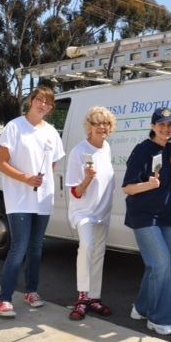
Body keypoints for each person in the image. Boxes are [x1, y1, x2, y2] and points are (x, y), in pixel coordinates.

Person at [0, 86, 65, 318]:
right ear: (31, 101)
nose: (42, 105)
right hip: (19, 199)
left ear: (51, 108)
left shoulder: (52, 132)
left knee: (36, 248)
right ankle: (4, 299)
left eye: (47, 102)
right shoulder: (14, 127)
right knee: (19, 247)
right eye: (39, 100)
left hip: (43, 198)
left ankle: (31, 292)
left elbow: (51, 164)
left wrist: (40, 180)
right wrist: (25, 178)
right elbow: (1, 163)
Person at [122, 107, 171, 336]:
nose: (166, 129)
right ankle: (157, 318)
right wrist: (148, 184)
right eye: (162, 124)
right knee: (162, 264)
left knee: (156, 267)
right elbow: (127, 187)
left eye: (170, 125)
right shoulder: (142, 150)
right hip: (144, 217)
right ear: (153, 126)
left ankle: (141, 308)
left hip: (166, 216)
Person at [65, 107, 117, 320]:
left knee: (98, 253)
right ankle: (82, 297)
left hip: (102, 212)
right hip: (83, 212)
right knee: (86, 246)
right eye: (97, 123)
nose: (102, 127)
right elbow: (75, 192)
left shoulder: (107, 148)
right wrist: (87, 178)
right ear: (89, 126)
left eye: (106, 123)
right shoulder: (79, 151)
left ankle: (94, 297)